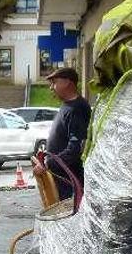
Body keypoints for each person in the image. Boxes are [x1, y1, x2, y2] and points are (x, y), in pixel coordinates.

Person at [34, 67, 91, 200]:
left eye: (54, 82)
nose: (51, 88)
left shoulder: (77, 108)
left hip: (70, 184)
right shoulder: (68, 106)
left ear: (67, 82)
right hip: (61, 181)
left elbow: (75, 149)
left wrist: (47, 164)